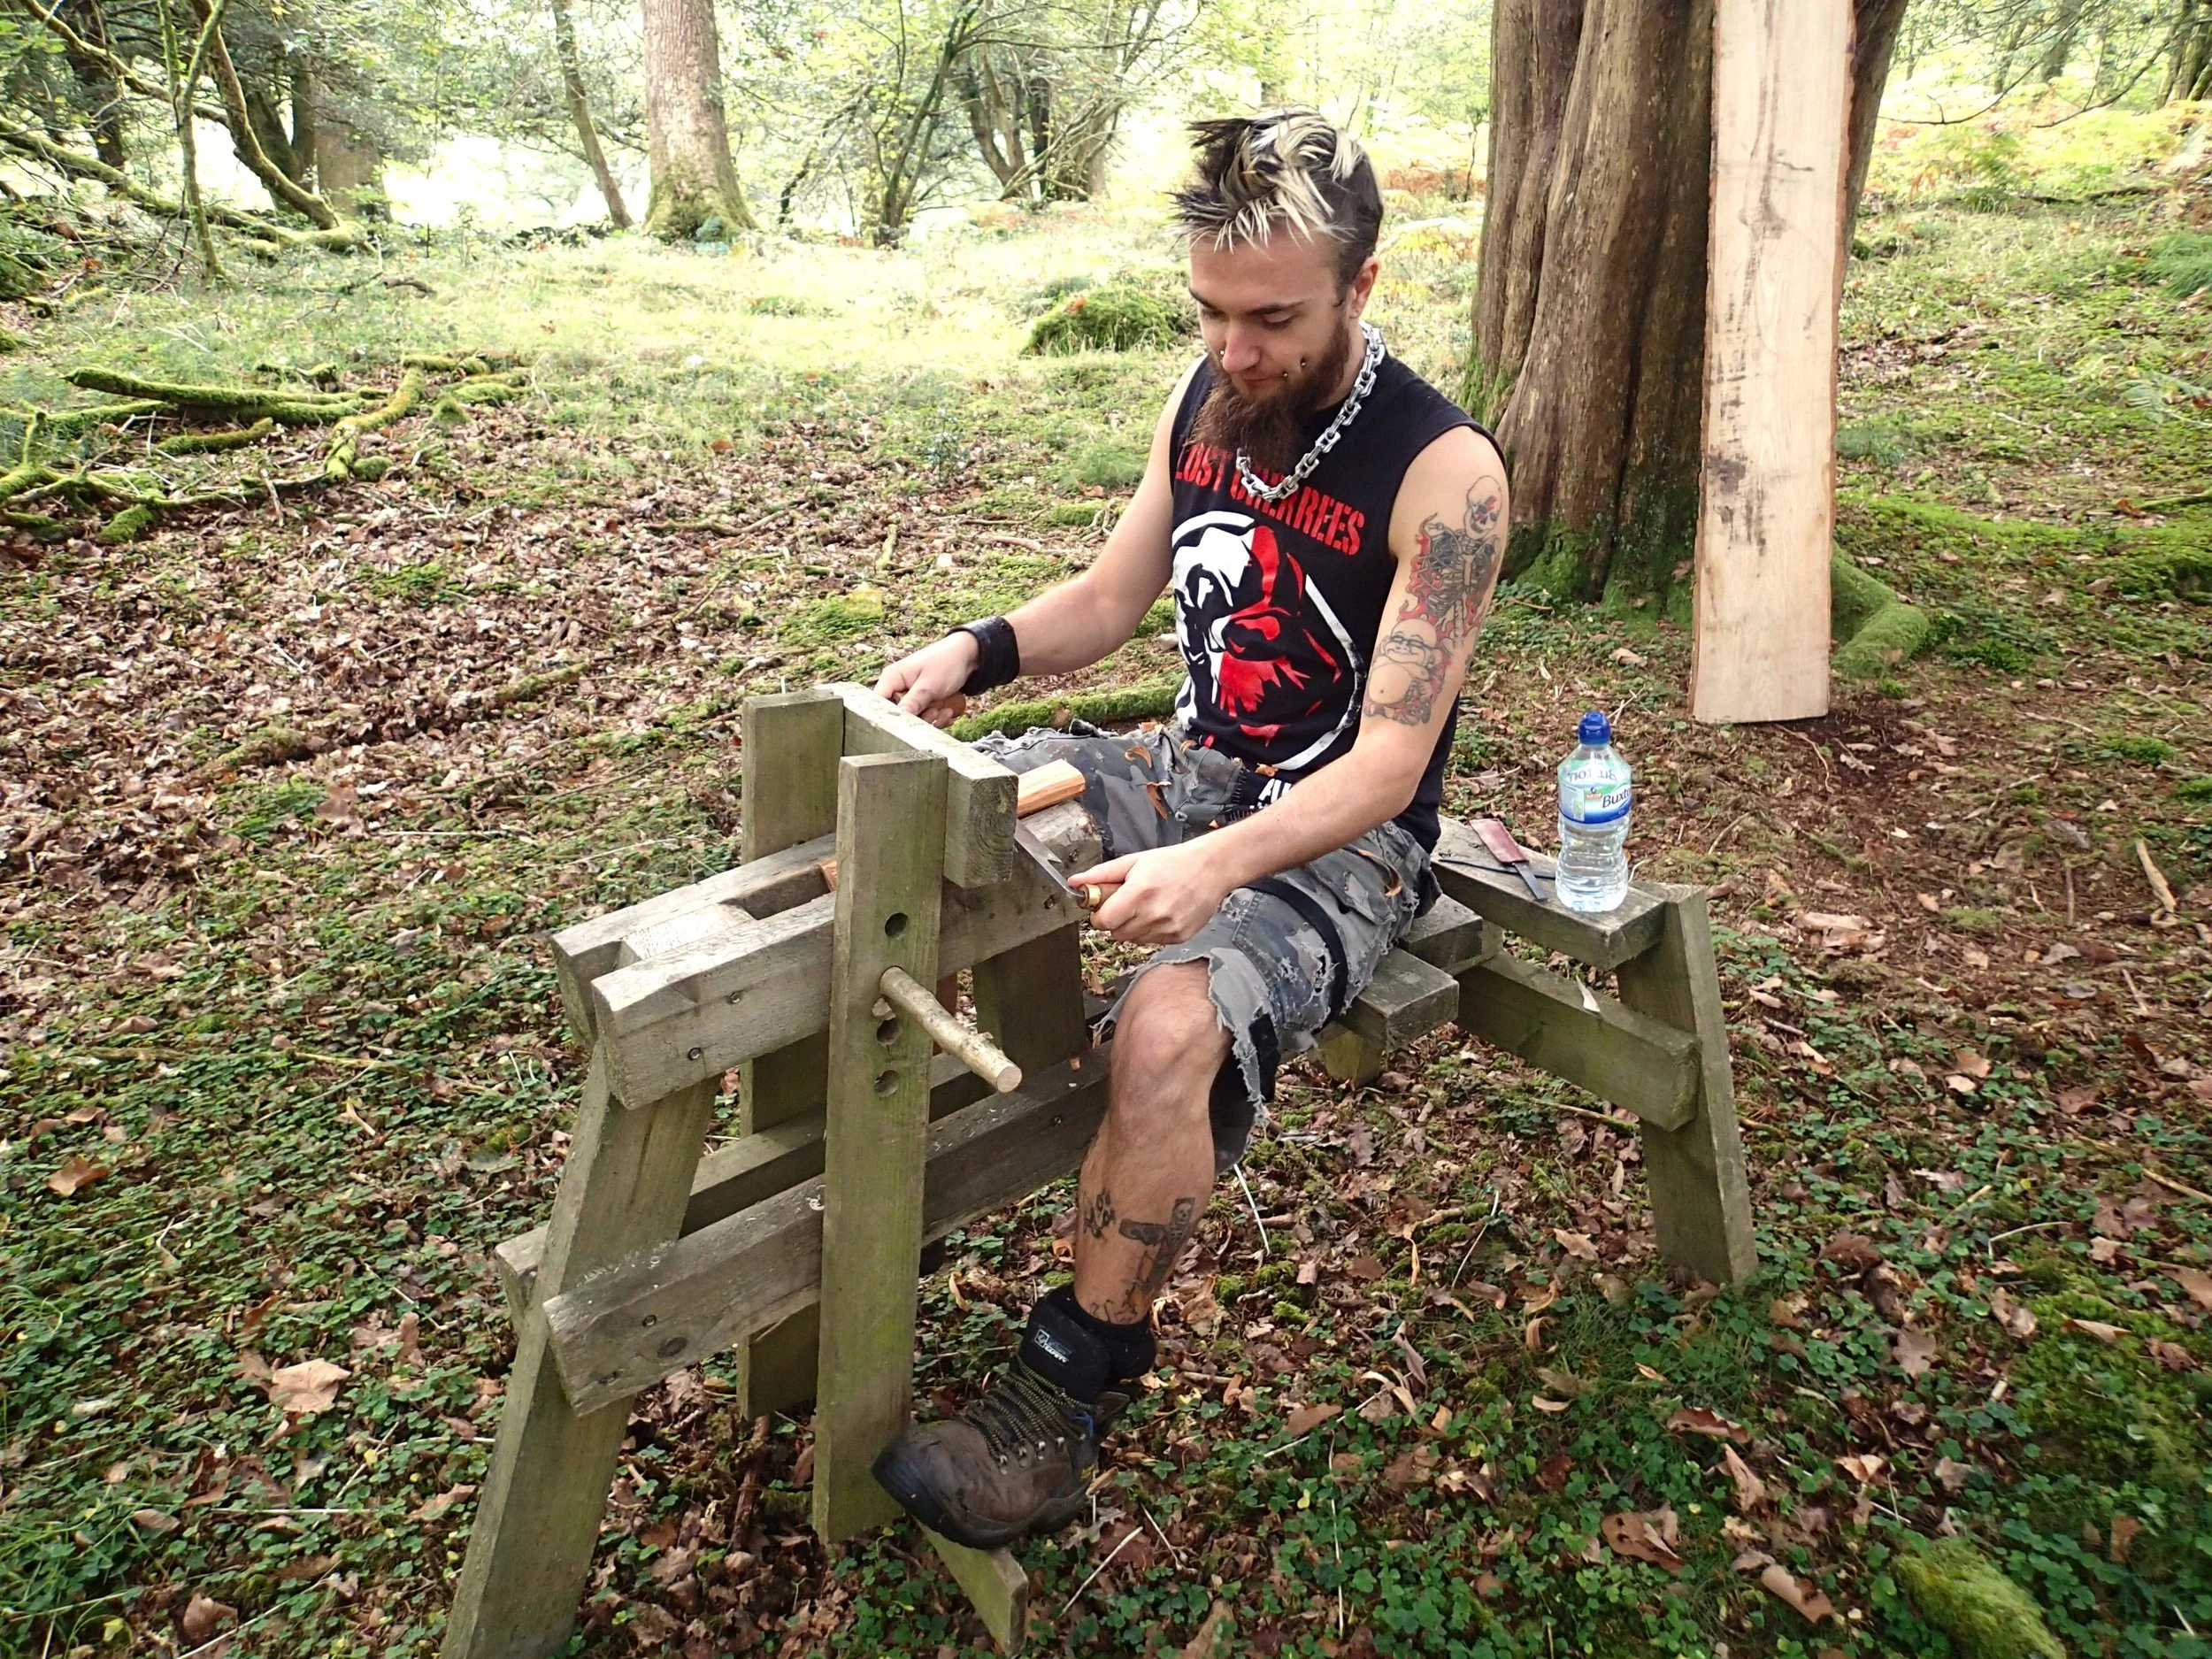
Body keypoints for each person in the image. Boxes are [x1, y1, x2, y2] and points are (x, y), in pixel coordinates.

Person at [867, 110, 1509, 1551]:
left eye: (1273, 318)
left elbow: (1391, 767)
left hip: (1344, 834)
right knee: (927, 827)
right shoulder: (1204, 397)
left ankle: (1064, 1401)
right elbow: (1107, 601)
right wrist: (975, 651)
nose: (1236, 351)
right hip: (1194, 758)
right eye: (1211, 313)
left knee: (1166, 1032)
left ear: (1363, 284)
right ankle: (884, 1174)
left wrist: (1213, 868)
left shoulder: (1444, 473)